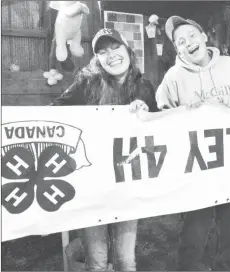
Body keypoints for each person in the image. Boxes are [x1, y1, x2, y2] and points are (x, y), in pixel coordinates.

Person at [156, 16, 230, 270]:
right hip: (197, 171)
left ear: (204, 37)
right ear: (177, 50)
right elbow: (161, 120)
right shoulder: (173, 77)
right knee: (194, 234)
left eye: (192, 35)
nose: (188, 43)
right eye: (180, 42)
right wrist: (182, 112)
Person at [51, 28, 158, 271]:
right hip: (93, 187)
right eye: (102, 52)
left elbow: (160, 131)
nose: (111, 55)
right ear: (97, 59)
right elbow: (55, 110)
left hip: (127, 186)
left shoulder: (146, 87)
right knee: (97, 261)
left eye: (116, 48)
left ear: (128, 50)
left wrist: (147, 112)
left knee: (125, 260)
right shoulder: (86, 83)